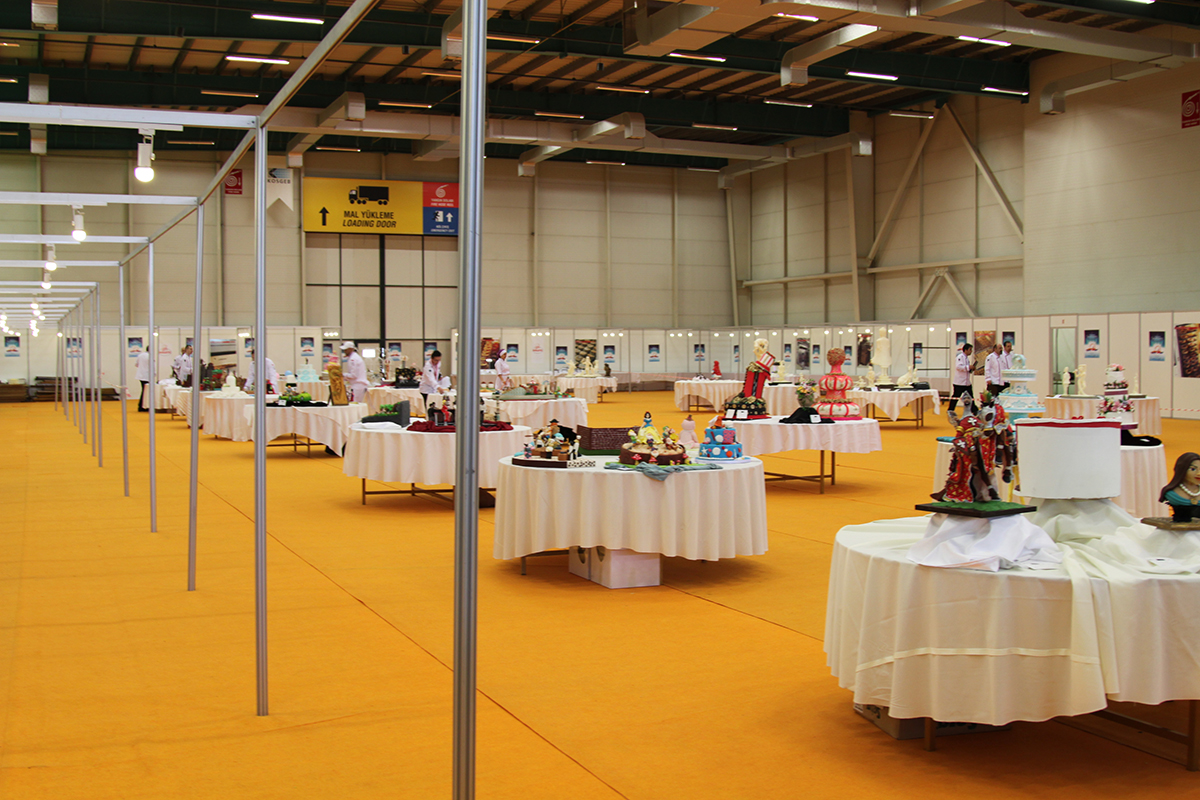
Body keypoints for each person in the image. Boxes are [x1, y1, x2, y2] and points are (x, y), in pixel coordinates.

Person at [948, 343, 975, 415]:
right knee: (955, 397)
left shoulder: (966, 358)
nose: (971, 351)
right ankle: (950, 410)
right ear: (965, 350)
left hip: (967, 382)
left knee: (971, 397)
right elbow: (958, 367)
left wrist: (970, 369)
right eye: (970, 350)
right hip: (959, 382)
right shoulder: (960, 357)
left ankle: (974, 410)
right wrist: (968, 367)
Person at [135, 347, 151, 412]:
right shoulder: (150, 356)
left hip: (140, 375)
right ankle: (143, 406)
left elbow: (136, 364)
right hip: (147, 376)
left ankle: (141, 405)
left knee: (144, 390)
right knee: (146, 391)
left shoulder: (140, 355)